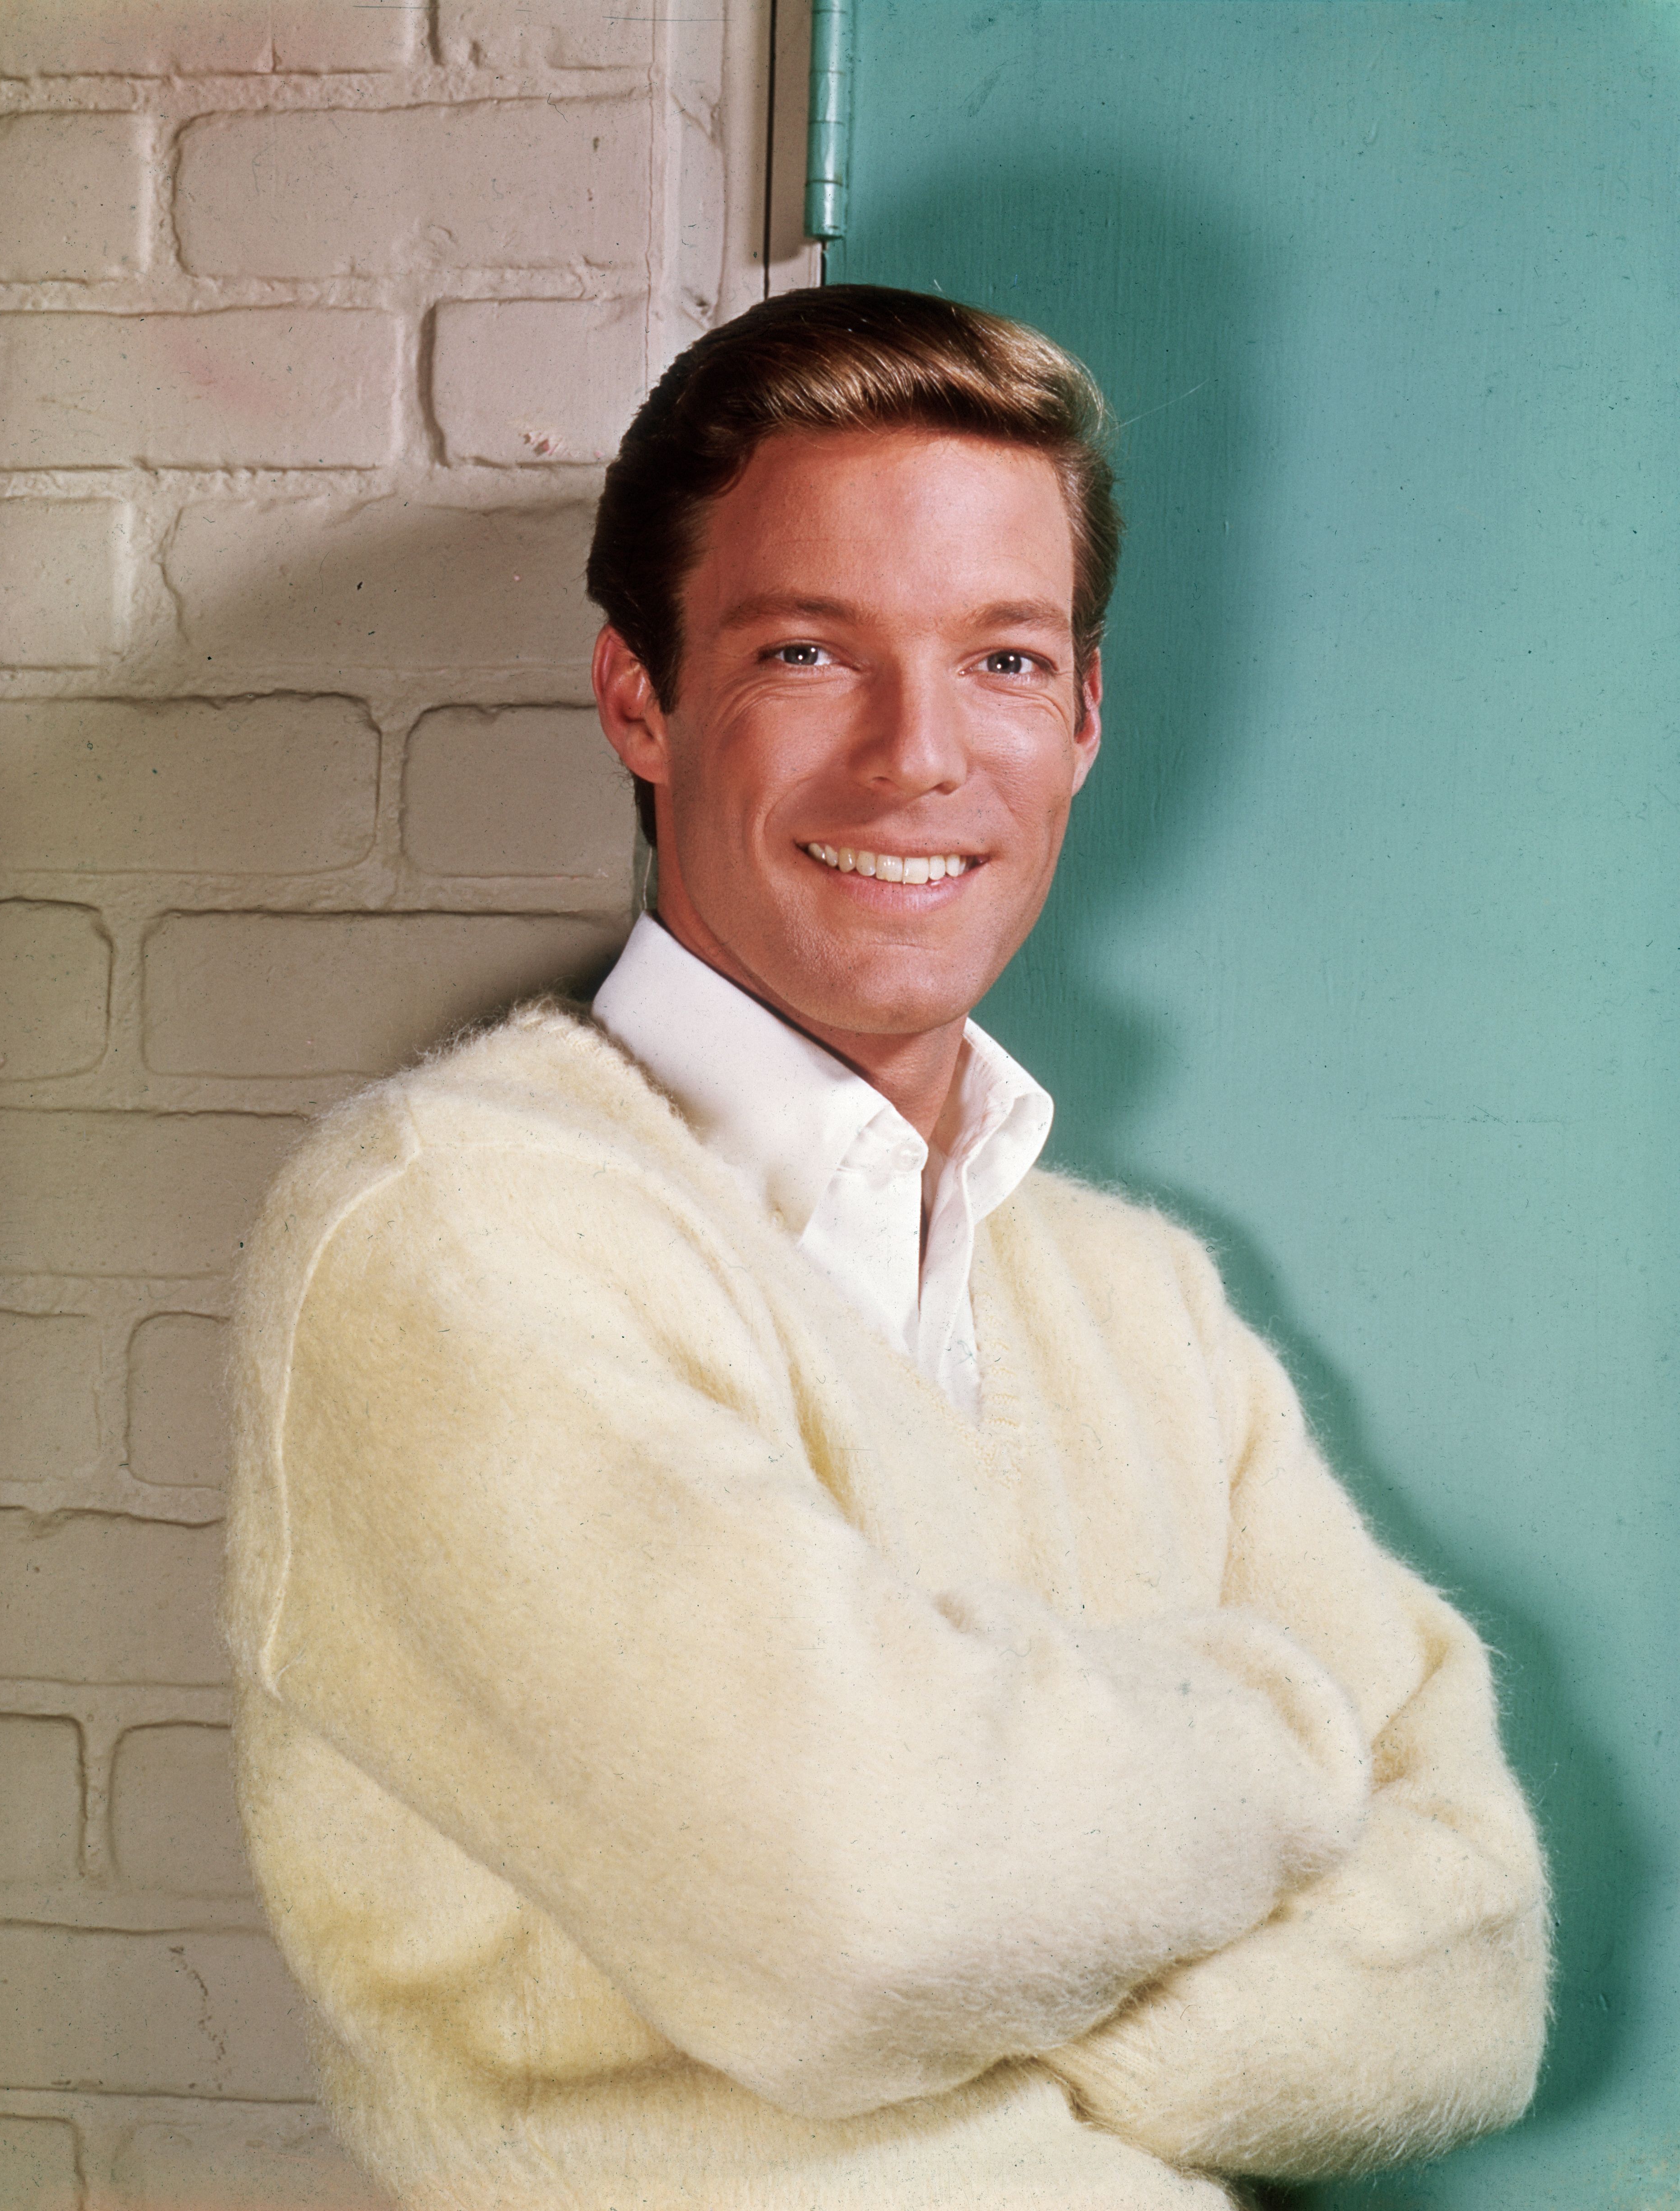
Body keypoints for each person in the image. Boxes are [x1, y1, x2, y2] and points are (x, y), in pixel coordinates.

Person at [225, 286, 1549, 2211]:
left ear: (1083, 720)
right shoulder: (455, 1229)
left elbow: (1475, 1964)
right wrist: (1274, 1723)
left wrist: (1036, 1955)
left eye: (1002, 658)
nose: (919, 757)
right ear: (638, 700)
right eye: (804, 652)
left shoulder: (1137, 1299)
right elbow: (863, 1901)